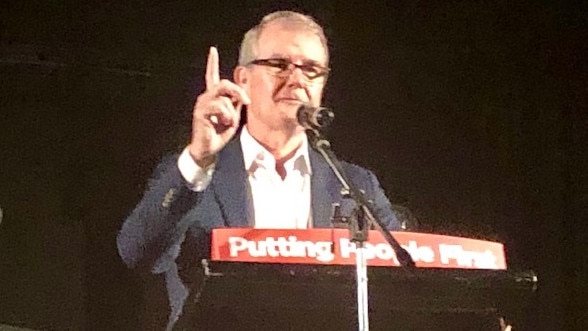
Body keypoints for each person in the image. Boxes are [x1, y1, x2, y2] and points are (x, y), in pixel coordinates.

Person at [117, 10, 403, 330]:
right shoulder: (194, 174)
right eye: (280, 65)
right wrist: (198, 158)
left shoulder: (354, 185)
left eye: (311, 70)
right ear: (243, 80)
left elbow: (406, 281)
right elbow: (138, 253)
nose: (296, 79)